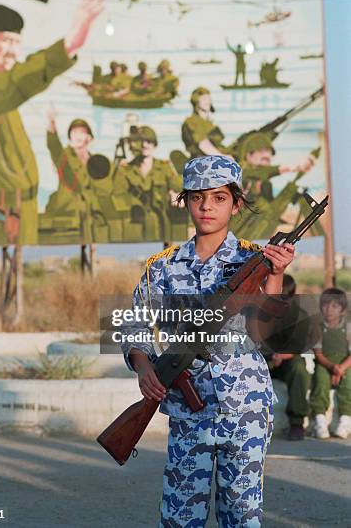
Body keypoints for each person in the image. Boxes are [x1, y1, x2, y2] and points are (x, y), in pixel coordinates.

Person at [121, 154, 295, 527]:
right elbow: (134, 323)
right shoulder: (163, 266)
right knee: (181, 517)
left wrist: (276, 277)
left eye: (218, 197)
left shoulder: (257, 259)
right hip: (187, 409)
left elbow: (265, 332)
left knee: (242, 516)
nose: (207, 206)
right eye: (198, 196)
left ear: (235, 203)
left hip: (244, 408)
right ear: (185, 201)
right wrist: (142, 365)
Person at [0, 0, 105, 244]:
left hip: (23, 212)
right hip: (3, 216)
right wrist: (67, 46)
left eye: (17, 42)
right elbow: (14, 83)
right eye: (6, 40)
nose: (14, 50)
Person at [262, 274, 316, 441]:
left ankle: (296, 422)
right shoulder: (258, 311)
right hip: (262, 359)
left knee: (299, 369)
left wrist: (281, 355)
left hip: (286, 360)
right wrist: (271, 355)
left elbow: (299, 345)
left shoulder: (300, 315)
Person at [114, 125, 184, 241]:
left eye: (149, 141)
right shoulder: (125, 170)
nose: (145, 145)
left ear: (154, 145)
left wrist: (175, 195)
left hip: (162, 225)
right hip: (135, 226)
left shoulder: (164, 167)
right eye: (141, 141)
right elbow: (118, 196)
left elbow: (179, 188)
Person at [40, 111, 98, 243]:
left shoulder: (95, 161)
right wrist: (51, 125)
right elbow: (54, 147)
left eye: (81, 132)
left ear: (89, 137)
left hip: (91, 215)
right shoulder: (64, 157)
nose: (77, 136)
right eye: (74, 132)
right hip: (68, 213)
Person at [310, 288, 351, 439]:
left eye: (334, 306)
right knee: (320, 381)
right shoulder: (317, 328)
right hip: (325, 363)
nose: (329, 310)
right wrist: (332, 368)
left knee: (348, 383)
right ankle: (319, 420)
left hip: (345, 363)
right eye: (325, 305)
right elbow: (318, 354)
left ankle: (345, 419)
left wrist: (341, 368)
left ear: (343, 310)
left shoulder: (347, 327)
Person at [181, 87, 225, 159]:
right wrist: (223, 157)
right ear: (196, 101)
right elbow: (203, 144)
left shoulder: (209, 122)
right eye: (204, 99)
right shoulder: (192, 121)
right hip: (202, 161)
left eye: (208, 99)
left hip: (215, 156)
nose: (207, 101)